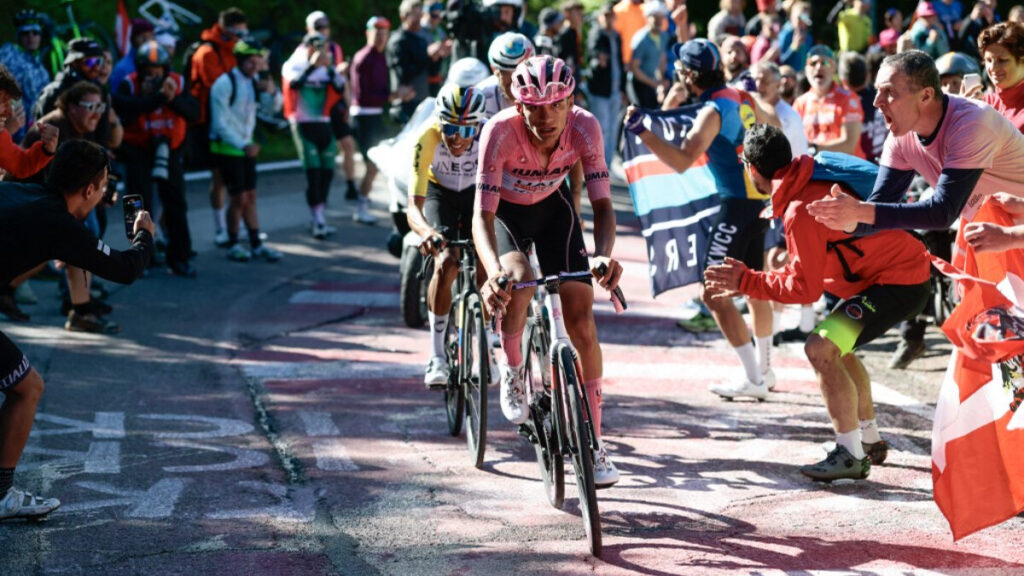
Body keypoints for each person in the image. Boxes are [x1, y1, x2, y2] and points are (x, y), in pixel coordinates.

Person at [705, 123, 932, 481]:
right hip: (897, 273)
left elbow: (805, 291)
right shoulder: (810, 173)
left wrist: (747, 280)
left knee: (821, 348)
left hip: (898, 281)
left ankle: (850, 454)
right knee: (836, 347)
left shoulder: (800, 206)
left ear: (751, 168)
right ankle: (868, 441)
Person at [474, 55, 622, 486]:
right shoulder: (498, 132)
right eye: (534, 107)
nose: (546, 115)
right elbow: (481, 218)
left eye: (556, 104)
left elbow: (603, 204)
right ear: (518, 106)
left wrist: (602, 254)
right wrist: (491, 273)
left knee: (582, 320)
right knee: (517, 278)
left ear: (570, 100)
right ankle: (515, 369)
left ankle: (594, 444)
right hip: (506, 218)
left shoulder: (585, 127)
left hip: (555, 213)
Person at [0, 139, 153, 520]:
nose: (102, 194)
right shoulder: (60, 224)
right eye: (102, 186)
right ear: (89, 189)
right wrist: (143, 234)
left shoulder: (19, 191)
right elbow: (126, 269)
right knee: (27, 388)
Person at [625, 39, 775, 400]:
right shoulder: (741, 96)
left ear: (690, 74)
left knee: (713, 293)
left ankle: (754, 378)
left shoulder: (712, 110)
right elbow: (771, 127)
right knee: (755, 288)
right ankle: (765, 370)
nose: (675, 71)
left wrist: (642, 131)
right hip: (759, 202)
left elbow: (681, 161)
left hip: (737, 206)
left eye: (680, 68)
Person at [805, 50, 1024, 288]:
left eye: (889, 92)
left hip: (1016, 233)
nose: (877, 101)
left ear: (926, 95)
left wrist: (860, 212)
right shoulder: (900, 136)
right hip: (994, 239)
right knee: (987, 323)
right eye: (878, 90)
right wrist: (844, 218)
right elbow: (879, 206)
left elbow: (942, 212)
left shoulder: (972, 121)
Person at [407, 84, 488, 386]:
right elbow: (412, 207)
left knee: (487, 265)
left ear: (479, 125)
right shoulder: (426, 137)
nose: (457, 139)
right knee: (447, 262)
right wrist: (426, 231)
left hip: (475, 193)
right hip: (438, 192)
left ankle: (485, 340)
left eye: (468, 131)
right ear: (439, 121)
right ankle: (437, 355)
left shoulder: (489, 135)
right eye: (450, 128)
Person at [113, 40, 199, 278]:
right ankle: (139, 259)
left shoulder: (178, 83)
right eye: (148, 73)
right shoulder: (128, 84)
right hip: (137, 150)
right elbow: (124, 112)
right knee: (137, 204)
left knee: (176, 203)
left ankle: (180, 257)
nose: (152, 76)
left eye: (157, 72)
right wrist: (155, 98)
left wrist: (171, 99)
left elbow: (194, 113)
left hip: (168, 149)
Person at [209, 39, 283, 263]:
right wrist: (242, 145)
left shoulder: (256, 82)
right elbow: (219, 123)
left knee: (250, 196)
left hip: (246, 147)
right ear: (240, 60)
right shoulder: (224, 83)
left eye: (258, 62)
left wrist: (272, 91)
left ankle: (256, 243)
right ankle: (233, 243)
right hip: (227, 148)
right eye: (250, 62)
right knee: (238, 197)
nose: (255, 66)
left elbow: (274, 109)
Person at [188, 7, 248, 248]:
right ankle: (220, 226)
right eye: (238, 31)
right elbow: (219, 87)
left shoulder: (236, 50)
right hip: (209, 123)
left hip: (234, 122)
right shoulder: (207, 52)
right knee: (220, 177)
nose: (242, 35)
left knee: (237, 177)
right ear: (227, 30)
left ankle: (237, 224)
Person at [282, 32, 349, 234]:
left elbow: (339, 87)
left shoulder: (326, 67)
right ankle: (317, 219)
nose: (320, 51)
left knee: (328, 172)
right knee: (313, 172)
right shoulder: (294, 64)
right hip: (303, 123)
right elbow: (294, 85)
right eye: (316, 46)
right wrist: (312, 66)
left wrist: (328, 68)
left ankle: (320, 214)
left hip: (323, 121)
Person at [352, 16, 404, 228]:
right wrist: (393, 96)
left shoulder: (382, 57)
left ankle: (365, 202)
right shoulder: (363, 57)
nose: (381, 37)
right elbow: (363, 95)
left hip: (375, 115)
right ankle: (360, 206)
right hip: (363, 116)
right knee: (372, 164)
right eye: (377, 32)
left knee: (382, 162)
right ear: (368, 33)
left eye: (384, 33)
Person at [304, 11, 361, 203]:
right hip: (315, 108)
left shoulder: (335, 48)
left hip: (335, 104)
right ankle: (320, 195)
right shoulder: (303, 50)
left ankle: (351, 185)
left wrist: (348, 103)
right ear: (309, 29)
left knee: (348, 144)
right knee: (321, 154)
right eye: (318, 27)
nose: (323, 32)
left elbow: (341, 79)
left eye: (325, 27)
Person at [794, 45, 865, 158]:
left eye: (825, 63)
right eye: (813, 63)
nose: (818, 67)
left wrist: (813, 148)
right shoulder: (800, 103)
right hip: (812, 171)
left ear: (834, 69)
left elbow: (849, 145)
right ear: (806, 70)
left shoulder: (849, 98)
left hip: (844, 171)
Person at [388, 0, 452, 122]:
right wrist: (428, 56)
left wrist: (439, 55)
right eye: (415, 16)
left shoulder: (420, 38)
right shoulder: (398, 40)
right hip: (405, 101)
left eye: (420, 15)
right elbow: (404, 74)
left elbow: (431, 70)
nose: (419, 20)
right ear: (404, 17)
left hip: (423, 98)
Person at [0, 10, 52, 139]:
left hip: (33, 131)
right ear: (18, 36)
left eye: (35, 33)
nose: (31, 37)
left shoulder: (40, 67)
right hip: (11, 128)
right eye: (25, 33)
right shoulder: (8, 54)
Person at [586, 3, 625, 167]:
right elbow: (593, 53)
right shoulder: (596, 34)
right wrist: (599, 58)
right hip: (600, 90)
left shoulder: (616, 36)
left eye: (611, 16)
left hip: (615, 89)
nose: (609, 20)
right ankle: (598, 164)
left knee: (613, 128)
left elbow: (620, 62)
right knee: (601, 128)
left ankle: (606, 165)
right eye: (606, 16)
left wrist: (623, 88)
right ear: (600, 17)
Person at [477, 32, 534, 117]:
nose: (514, 82)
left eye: (520, 75)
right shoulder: (480, 98)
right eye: (506, 74)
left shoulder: (545, 93)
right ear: (494, 70)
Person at [628, 1, 668, 108]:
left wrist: (660, 83)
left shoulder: (664, 37)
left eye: (661, 17)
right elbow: (635, 69)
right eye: (655, 17)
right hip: (637, 84)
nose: (659, 21)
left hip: (651, 82)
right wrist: (654, 83)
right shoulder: (641, 39)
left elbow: (661, 60)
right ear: (648, 18)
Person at [109, 18, 155, 92]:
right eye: (142, 36)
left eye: (150, 36)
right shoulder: (122, 68)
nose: (147, 40)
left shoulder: (158, 62)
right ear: (133, 39)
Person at [778, 1, 813, 70]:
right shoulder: (785, 34)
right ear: (791, 16)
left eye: (805, 18)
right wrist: (793, 47)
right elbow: (780, 61)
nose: (802, 23)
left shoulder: (808, 36)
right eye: (799, 18)